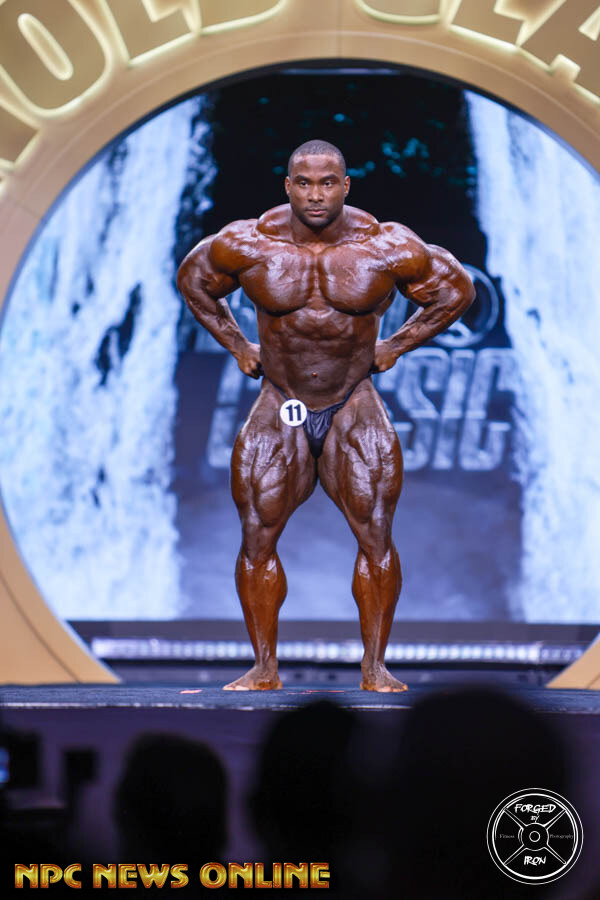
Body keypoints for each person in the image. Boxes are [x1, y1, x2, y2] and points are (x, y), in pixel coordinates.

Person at [177, 139, 474, 692]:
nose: (317, 195)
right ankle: (264, 669)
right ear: (288, 186)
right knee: (257, 537)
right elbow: (194, 281)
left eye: (328, 182)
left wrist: (397, 344)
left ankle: (375, 668)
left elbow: (456, 290)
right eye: (306, 183)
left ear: (346, 186)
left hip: (352, 400)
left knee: (376, 535)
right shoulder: (249, 242)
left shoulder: (386, 246)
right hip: (282, 401)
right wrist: (238, 345)